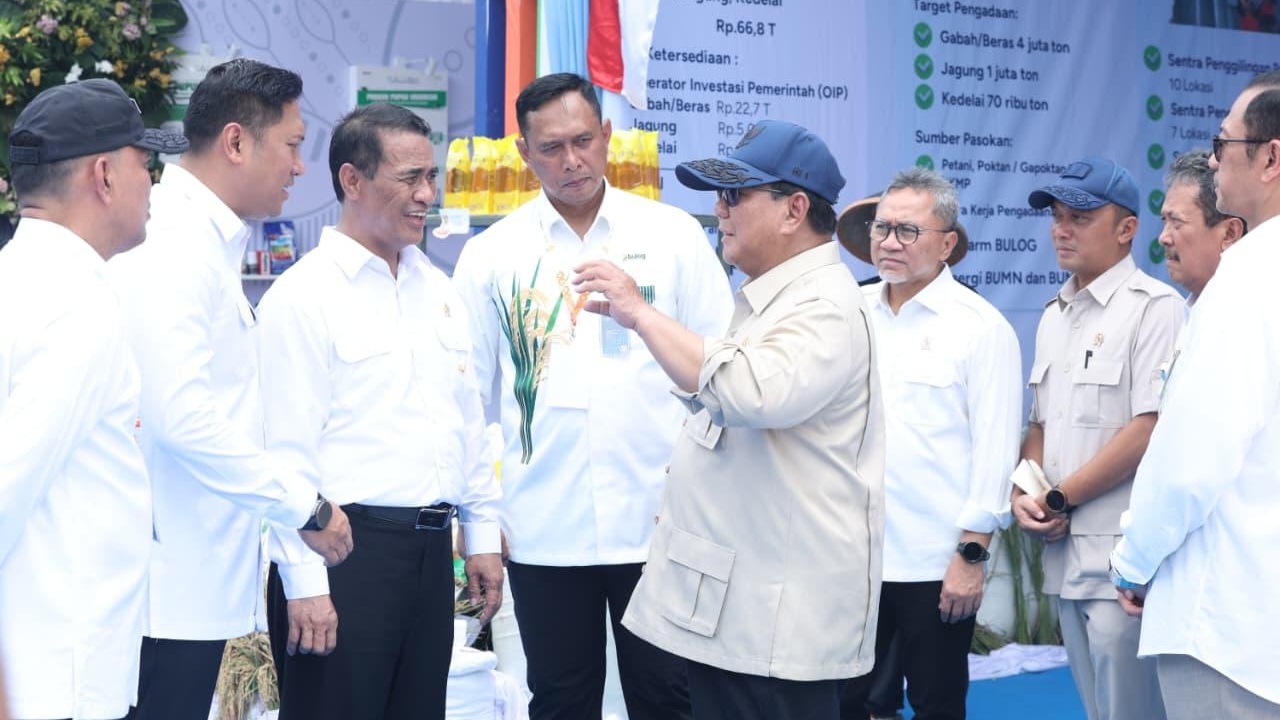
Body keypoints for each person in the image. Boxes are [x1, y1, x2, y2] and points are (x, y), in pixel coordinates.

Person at [572, 119, 884, 720]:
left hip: (777, 625)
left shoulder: (822, 303)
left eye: (735, 195)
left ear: (794, 209)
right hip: (749, 614)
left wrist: (641, 313)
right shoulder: (779, 296)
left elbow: (746, 392)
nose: (720, 210)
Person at [452, 72, 731, 720]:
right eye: (551, 147)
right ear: (523, 152)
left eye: (583, 140)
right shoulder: (492, 255)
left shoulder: (672, 236)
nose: (571, 160)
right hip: (544, 524)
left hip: (662, 521)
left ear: (607, 136)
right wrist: (481, 527)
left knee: (671, 700)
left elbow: (721, 370)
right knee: (560, 699)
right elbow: (468, 403)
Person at [107, 59, 353, 720]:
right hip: (162, 591)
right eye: (293, 145)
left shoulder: (206, 242)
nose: (300, 167)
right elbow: (180, 416)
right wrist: (303, 507)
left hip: (192, 580)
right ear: (236, 142)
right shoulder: (173, 246)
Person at [257, 102, 504, 720]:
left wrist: (481, 535)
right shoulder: (303, 296)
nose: (426, 195)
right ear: (352, 179)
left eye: (431, 177)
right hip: (342, 558)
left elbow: (467, 424)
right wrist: (304, 583)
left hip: (430, 559)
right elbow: (281, 454)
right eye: (409, 178)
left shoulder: (439, 291)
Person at [0, 79, 185, 720]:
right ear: (104, 176)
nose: (152, 184)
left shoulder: (19, 277)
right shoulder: (74, 305)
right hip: (59, 677)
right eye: (145, 163)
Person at [1109, 73, 1280, 720]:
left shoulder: (1247, 278)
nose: (1212, 160)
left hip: (1228, 626)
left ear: (1271, 157)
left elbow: (1189, 463)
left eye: (1222, 143)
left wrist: (1133, 561)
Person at [836, 169, 1021, 720]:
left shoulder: (980, 327)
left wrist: (971, 556)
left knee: (936, 703)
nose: (890, 242)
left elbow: (994, 453)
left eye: (908, 231)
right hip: (851, 559)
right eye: (882, 228)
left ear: (947, 244)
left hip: (934, 565)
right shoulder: (848, 313)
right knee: (845, 703)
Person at [1011, 156, 1182, 720]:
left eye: (1080, 217)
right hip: (1064, 556)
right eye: (1057, 216)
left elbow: (1149, 429)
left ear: (1127, 228)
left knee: (1132, 712)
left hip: (1120, 562)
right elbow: (1039, 423)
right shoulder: (1054, 314)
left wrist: (1061, 498)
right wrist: (1027, 494)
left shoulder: (1155, 309)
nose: (1062, 229)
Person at [1157, 149, 1245, 306]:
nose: (1163, 238)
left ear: (1229, 234)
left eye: (1176, 221)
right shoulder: (1190, 312)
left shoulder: (1260, 312)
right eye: (1165, 220)